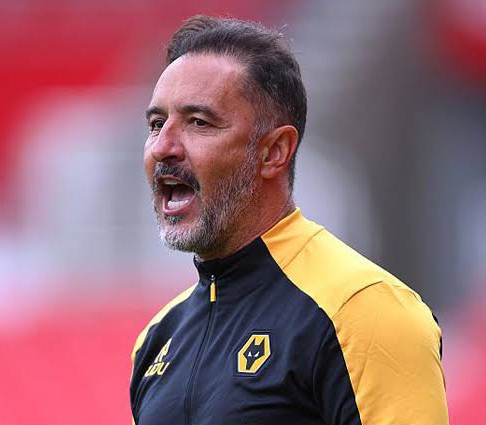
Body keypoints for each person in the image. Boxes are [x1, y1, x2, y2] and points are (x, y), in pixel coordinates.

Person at [130, 15, 449, 425]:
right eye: (156, 124)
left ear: (274, 152)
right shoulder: (158, 338)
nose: (163, 147)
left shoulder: (365, 310)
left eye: (199, 123)